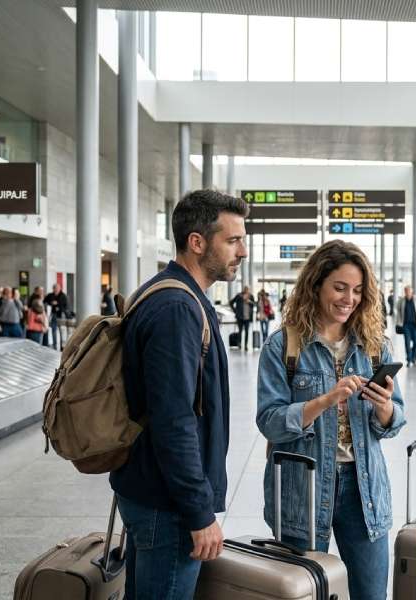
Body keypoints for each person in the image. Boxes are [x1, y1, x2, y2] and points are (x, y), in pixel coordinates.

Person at [110, 189, 248, 600]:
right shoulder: (176, 308)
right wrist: (197, 511)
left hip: (154, 493)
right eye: (233, 240)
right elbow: (175, 420)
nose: (242, 251)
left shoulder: (175, 295)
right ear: (197, 242)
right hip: (167, 506)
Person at [257, 240, 405, 600]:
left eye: (357, 290)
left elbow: (396, 419)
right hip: (302, 487)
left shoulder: (374, 346)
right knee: (305, 593)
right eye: (339, 287)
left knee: (371, 593)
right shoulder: (284, 345)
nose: (348, 299)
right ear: (316, 284)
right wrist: (324, 400)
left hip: (363, 487)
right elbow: (270, 421)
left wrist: (384, 407)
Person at [395, 286, 416, 367]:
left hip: (415, 325)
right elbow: (397, 310)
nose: (407, 292)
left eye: (409, 291)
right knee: (407, 343)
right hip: (406, 325)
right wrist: (398, 322)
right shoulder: (401, 301)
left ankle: (414, 357)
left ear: (412, 292)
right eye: (406, 291)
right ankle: (409, 359)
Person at [44, 284, 69, 350]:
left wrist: (57, 304)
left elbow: (66, 306)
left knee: (62, 331)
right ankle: (54, 345)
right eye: (54, 288)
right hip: (54, 314)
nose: (55, 290)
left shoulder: (63, 296)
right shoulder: (50, 295)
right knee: (53, 330)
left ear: (60, 288)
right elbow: (45, 301)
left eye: (57, 288)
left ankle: (62, 346)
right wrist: (51, 303)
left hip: (61, 315)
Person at [230, 286, 255, 350]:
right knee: (240, 331)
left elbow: (254, 304)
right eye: (245, 289)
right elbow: (231, 302)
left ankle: (246, 345)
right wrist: (235, 311)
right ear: (243, 290)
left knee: (247, 331)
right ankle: (239, 344)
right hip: (240, 317)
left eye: (248, 290)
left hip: (248, 317)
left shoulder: (251, 296)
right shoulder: (239, 296)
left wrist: (250, 302)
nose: (247, 291)